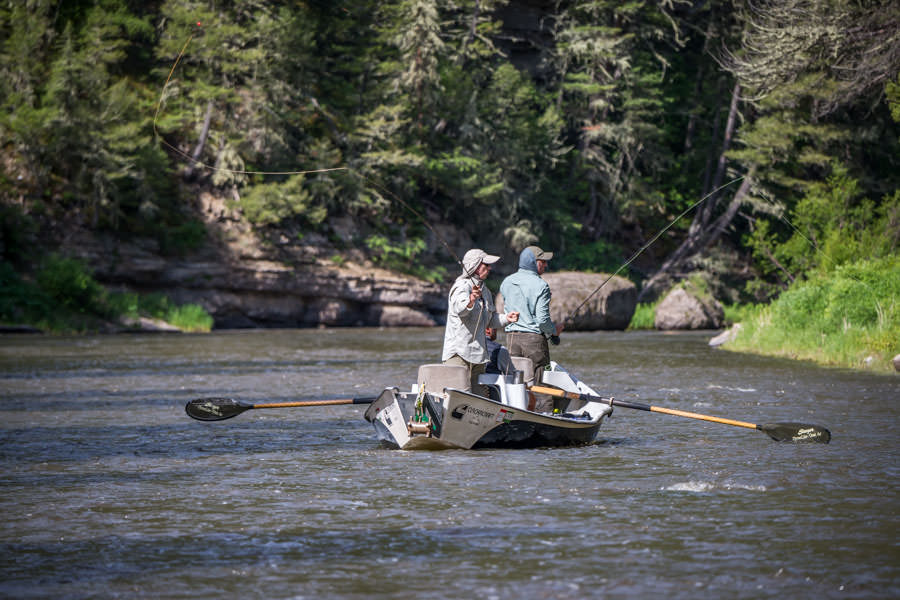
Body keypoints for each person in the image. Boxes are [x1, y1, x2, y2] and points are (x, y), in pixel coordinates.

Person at [441, 249, 519, 394]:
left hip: (478, 356)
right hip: (459, 354)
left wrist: (507, 318)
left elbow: (490, 320)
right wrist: (471, 300)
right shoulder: (461, 286)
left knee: (480, 396)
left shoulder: (486, 292)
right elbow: (460, 309)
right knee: (458, 396)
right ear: (475, 265)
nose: (489, 268)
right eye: (486, 265)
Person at [499, 245, 563, 411]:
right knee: (541, 383)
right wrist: (554, 330)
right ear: (534, 263)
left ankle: (516, 414)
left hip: (511, 338)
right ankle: (546, 418)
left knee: (516, 382)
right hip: (534, 342)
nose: (546, 265)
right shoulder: (541, 286)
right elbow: (542, 321)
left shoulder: (506, 282)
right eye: (543, 262)